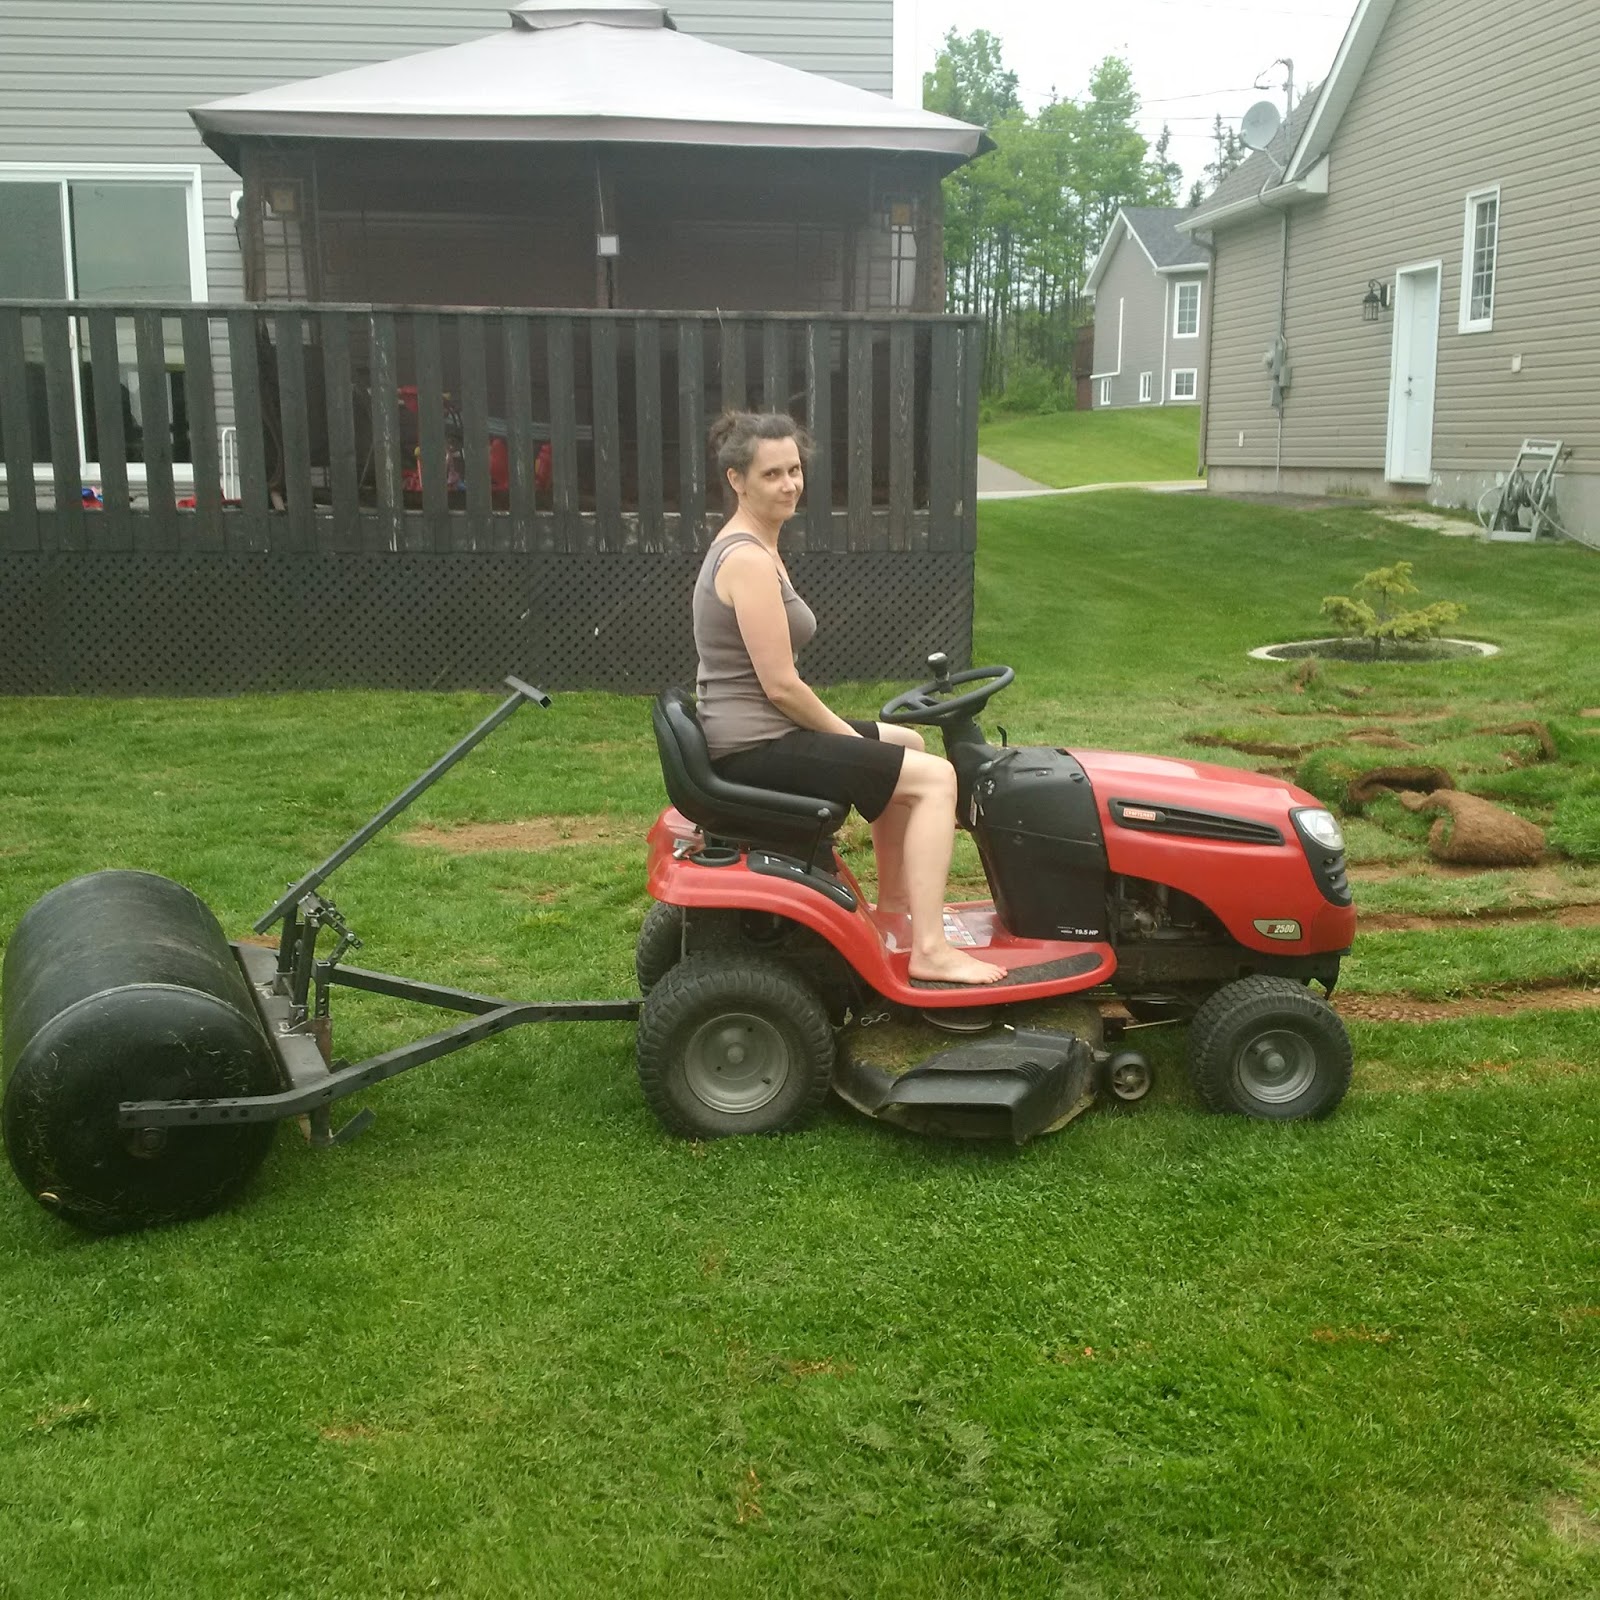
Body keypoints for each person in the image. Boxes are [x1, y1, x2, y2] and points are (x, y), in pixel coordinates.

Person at [692, 409, 1002, 987]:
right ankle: (932, 951)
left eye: (794, 470)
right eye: (771, 475)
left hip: (756, 732)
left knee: (907, 740)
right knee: (935, 779)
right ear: (736, 480)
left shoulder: (753, 545)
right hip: (757, 744)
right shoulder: (748, 560)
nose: (789, 484)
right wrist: (842, 735)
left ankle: (893, 911)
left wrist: (853, 739)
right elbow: (782, 687)